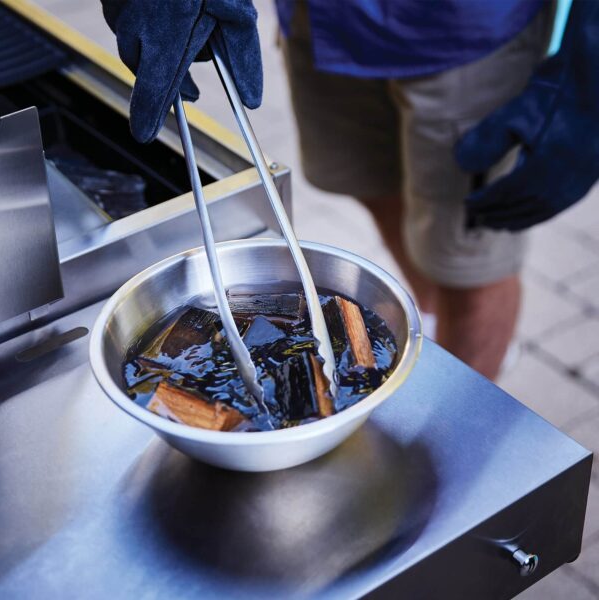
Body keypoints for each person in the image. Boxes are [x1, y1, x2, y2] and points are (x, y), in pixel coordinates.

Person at [101, 0, 599, 380]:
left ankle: (465, 399)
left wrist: (588, 85)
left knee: (468, 265)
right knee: (370, 183)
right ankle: (429, 309)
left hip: (470, 32)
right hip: (326, 20)